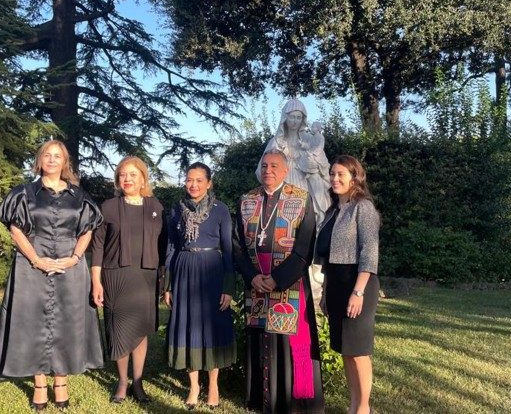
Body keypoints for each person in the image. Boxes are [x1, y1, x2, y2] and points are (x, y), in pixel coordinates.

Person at [0, 140, 104, 411]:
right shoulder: (23, 193)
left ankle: (61, 383)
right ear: (39, 160)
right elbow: (15, 229)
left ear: (65, 162)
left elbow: (87, 230)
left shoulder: (79, 196)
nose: (52, 160)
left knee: (67, 324)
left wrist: (75, 258)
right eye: (47, 156)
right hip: (31, 265)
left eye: (58, 156)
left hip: (70, 266)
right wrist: (36, 259)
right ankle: (40, 384)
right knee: (31, 324)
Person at [234, 149, 325, 413]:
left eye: (274, 166)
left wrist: (277, 279)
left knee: (286, 342)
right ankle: (260, 400)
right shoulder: (247, 200)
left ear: (285, 171)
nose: (268, 170)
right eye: (264, 165)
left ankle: (287, 401)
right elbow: (237, 245)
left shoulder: (301, 199)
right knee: (260, 338)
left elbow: (304, 248)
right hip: (256, 284)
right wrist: (253, 277)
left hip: (288, 283)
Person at [91, 156, 165, 405]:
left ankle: (138, 381)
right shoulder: (109, 207)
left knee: (141, 329)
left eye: (133, 174)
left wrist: (165, 279)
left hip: (146, 276)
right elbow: (98, 246)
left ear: (143, 178)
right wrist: (96, 281)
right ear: (117, 179)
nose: (127, 179)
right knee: (119, 329)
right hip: (115, 275)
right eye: (123, 174)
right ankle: (122, 381)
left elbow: (164, 245)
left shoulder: (156, 206)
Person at [163, 162, 236, 410]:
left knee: (212, 326)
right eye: (189, 180)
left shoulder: (221, 210)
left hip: (212, 272)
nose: (193, 185)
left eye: (198, 180)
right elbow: (171, 249)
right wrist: (168, 284)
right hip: (184, 270)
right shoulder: (176, 210)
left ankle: (213, 385)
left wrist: (229, 287)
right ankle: (194, 385)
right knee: (188, 325)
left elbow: (228, 249)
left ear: (209, 183)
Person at [316, 155, 380, 414]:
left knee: (359, 351)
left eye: (341, 174)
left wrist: (358, 291)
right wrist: (325, 291)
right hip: (336, 283)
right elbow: (330, 254)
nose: (334, 178)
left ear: (355, 177)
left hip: (358, 283)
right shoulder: (333, 210)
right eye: (332, 174)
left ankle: (363, 408)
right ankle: (353, 404)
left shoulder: (362, 208)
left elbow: (369, 252)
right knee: (345, 350)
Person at [258, 99, 331, 226]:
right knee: (282, 222)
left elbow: (324, 164)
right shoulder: (276, 142)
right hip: (282, 185)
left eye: (298, 117)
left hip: (305, 184)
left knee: (305, 221)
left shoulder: (309, 138)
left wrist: (316, 166)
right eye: (292, 117)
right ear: (285, 117)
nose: (295, 121)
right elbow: (261, 170)